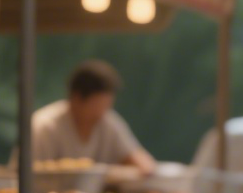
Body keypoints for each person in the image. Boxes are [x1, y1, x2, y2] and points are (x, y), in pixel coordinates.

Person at [26, 60, 155, 173]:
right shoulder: (43, 126)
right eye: (96, 106)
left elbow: (140, 160)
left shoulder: (107, 121)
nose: (101, 113)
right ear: (76, 98)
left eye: (106, 107)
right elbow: (24, 175)